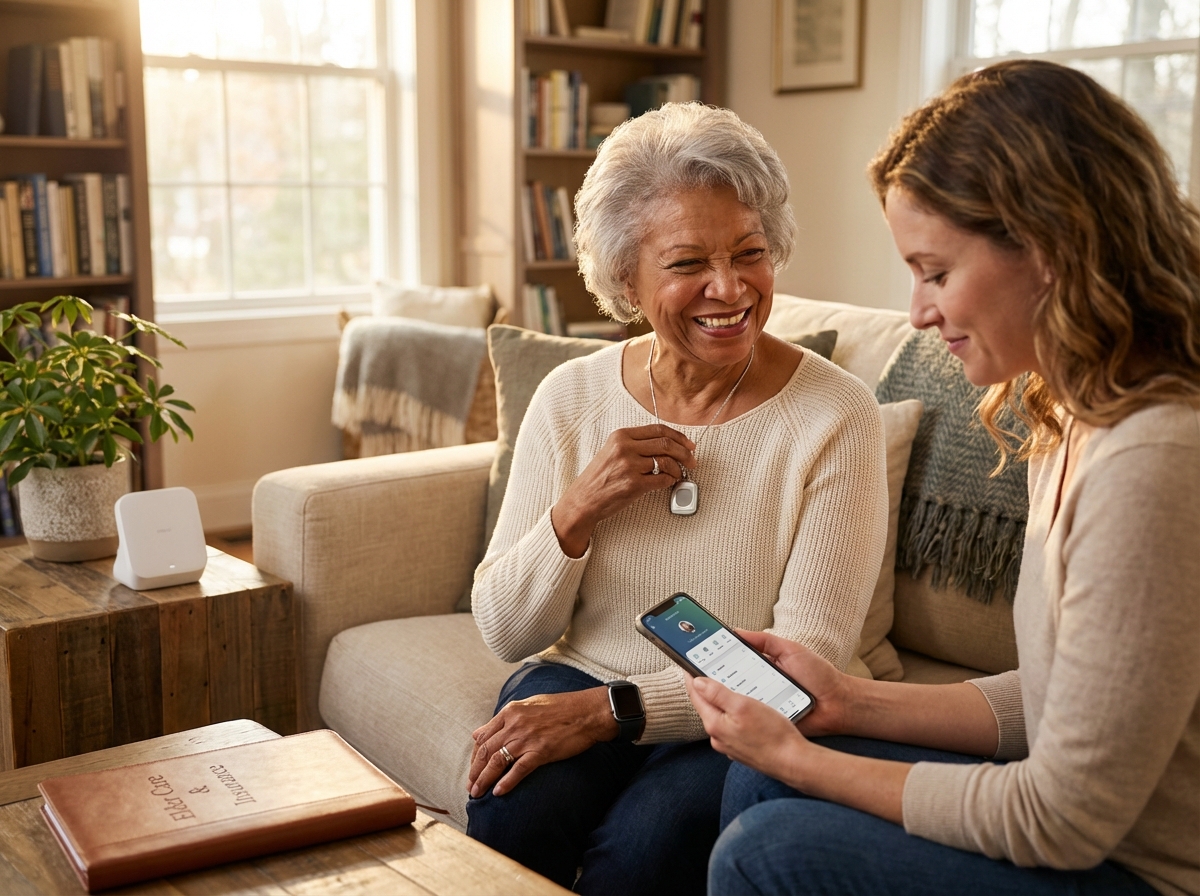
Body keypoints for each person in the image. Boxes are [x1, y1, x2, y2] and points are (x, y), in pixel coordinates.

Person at [690, 60, 1200, 896]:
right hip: (1098, 844)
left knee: (768, 847)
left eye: (935, 270)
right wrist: (844, 705)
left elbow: (1060, 819)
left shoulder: (1155, 461)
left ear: (1050, 248)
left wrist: (805, 762)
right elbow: (1057, 700)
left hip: (1147, 874)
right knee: (760, 781)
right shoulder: (1067, 412)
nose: (919, 312)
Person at [465, 103, 889, 895]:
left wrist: (610, 712)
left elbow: (803, 669)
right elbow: (505, 629)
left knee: (649, 851)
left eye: (750, 254)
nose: (728, 289)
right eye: (688, 262)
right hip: (579, 673)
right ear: (627, 277)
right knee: (507, 813)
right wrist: (578, 510)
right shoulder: (570, 397)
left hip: (743, 714)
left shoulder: (836, 414)